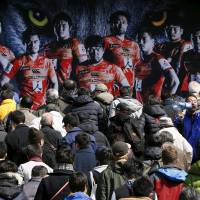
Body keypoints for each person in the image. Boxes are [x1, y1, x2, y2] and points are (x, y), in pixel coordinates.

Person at [1, 28, 58, 110]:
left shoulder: (47, 62)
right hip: (25, 108)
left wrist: (53, 101)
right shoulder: (18, 61)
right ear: (25, 43)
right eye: (30, 42)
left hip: (43, 107)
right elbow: (3, 81)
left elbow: (55, 82)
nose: (33, 45)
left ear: (39, 42)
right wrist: (13, 98)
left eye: (35, 41)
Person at [135, 27, 179, 103]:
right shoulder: (136, 59)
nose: (140, 42)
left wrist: (168, 102)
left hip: (153, 107)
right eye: (139, 39)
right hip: (138, 104)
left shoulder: (158, 59)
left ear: (152, 41)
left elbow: (175, 82)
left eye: (144, 39)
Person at [44, 12, 87, 87]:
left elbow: (85, 67)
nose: (60, 28)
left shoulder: (75, 43)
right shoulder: (48, 47)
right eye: (57, 25)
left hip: (68, 87)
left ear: (70, 27)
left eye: (63, 25)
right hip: (51, 87)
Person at [103, 11, 141, 95]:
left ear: (127, 25)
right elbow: (100, 63)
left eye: (124, 22)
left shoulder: (134, 45)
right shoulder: (106, 41)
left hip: (129, 87)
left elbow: (136, 67)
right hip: (113, 85)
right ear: (113, 24)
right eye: (117, 22)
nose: (120, 25)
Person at [155, 17, 192, 95]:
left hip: (181, 89)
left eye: (175, 29)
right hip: (163, 89)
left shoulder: (188, 45)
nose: (171, 31)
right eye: (169, 29)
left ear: (181, 31)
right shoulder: (161, 46)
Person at [174, 94, 200, 162]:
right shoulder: (181, 118)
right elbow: (176, 133)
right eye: (190, 101)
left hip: (198, 156)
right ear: (185, 104)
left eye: (195, 101)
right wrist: (179, 119)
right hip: (184, 155)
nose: (193, 103)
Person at [180, 27, 200, 95]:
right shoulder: (186, 55)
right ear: (191, 39)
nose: (197, 41)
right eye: (194, 38)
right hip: (191, 92)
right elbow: (181, 74)